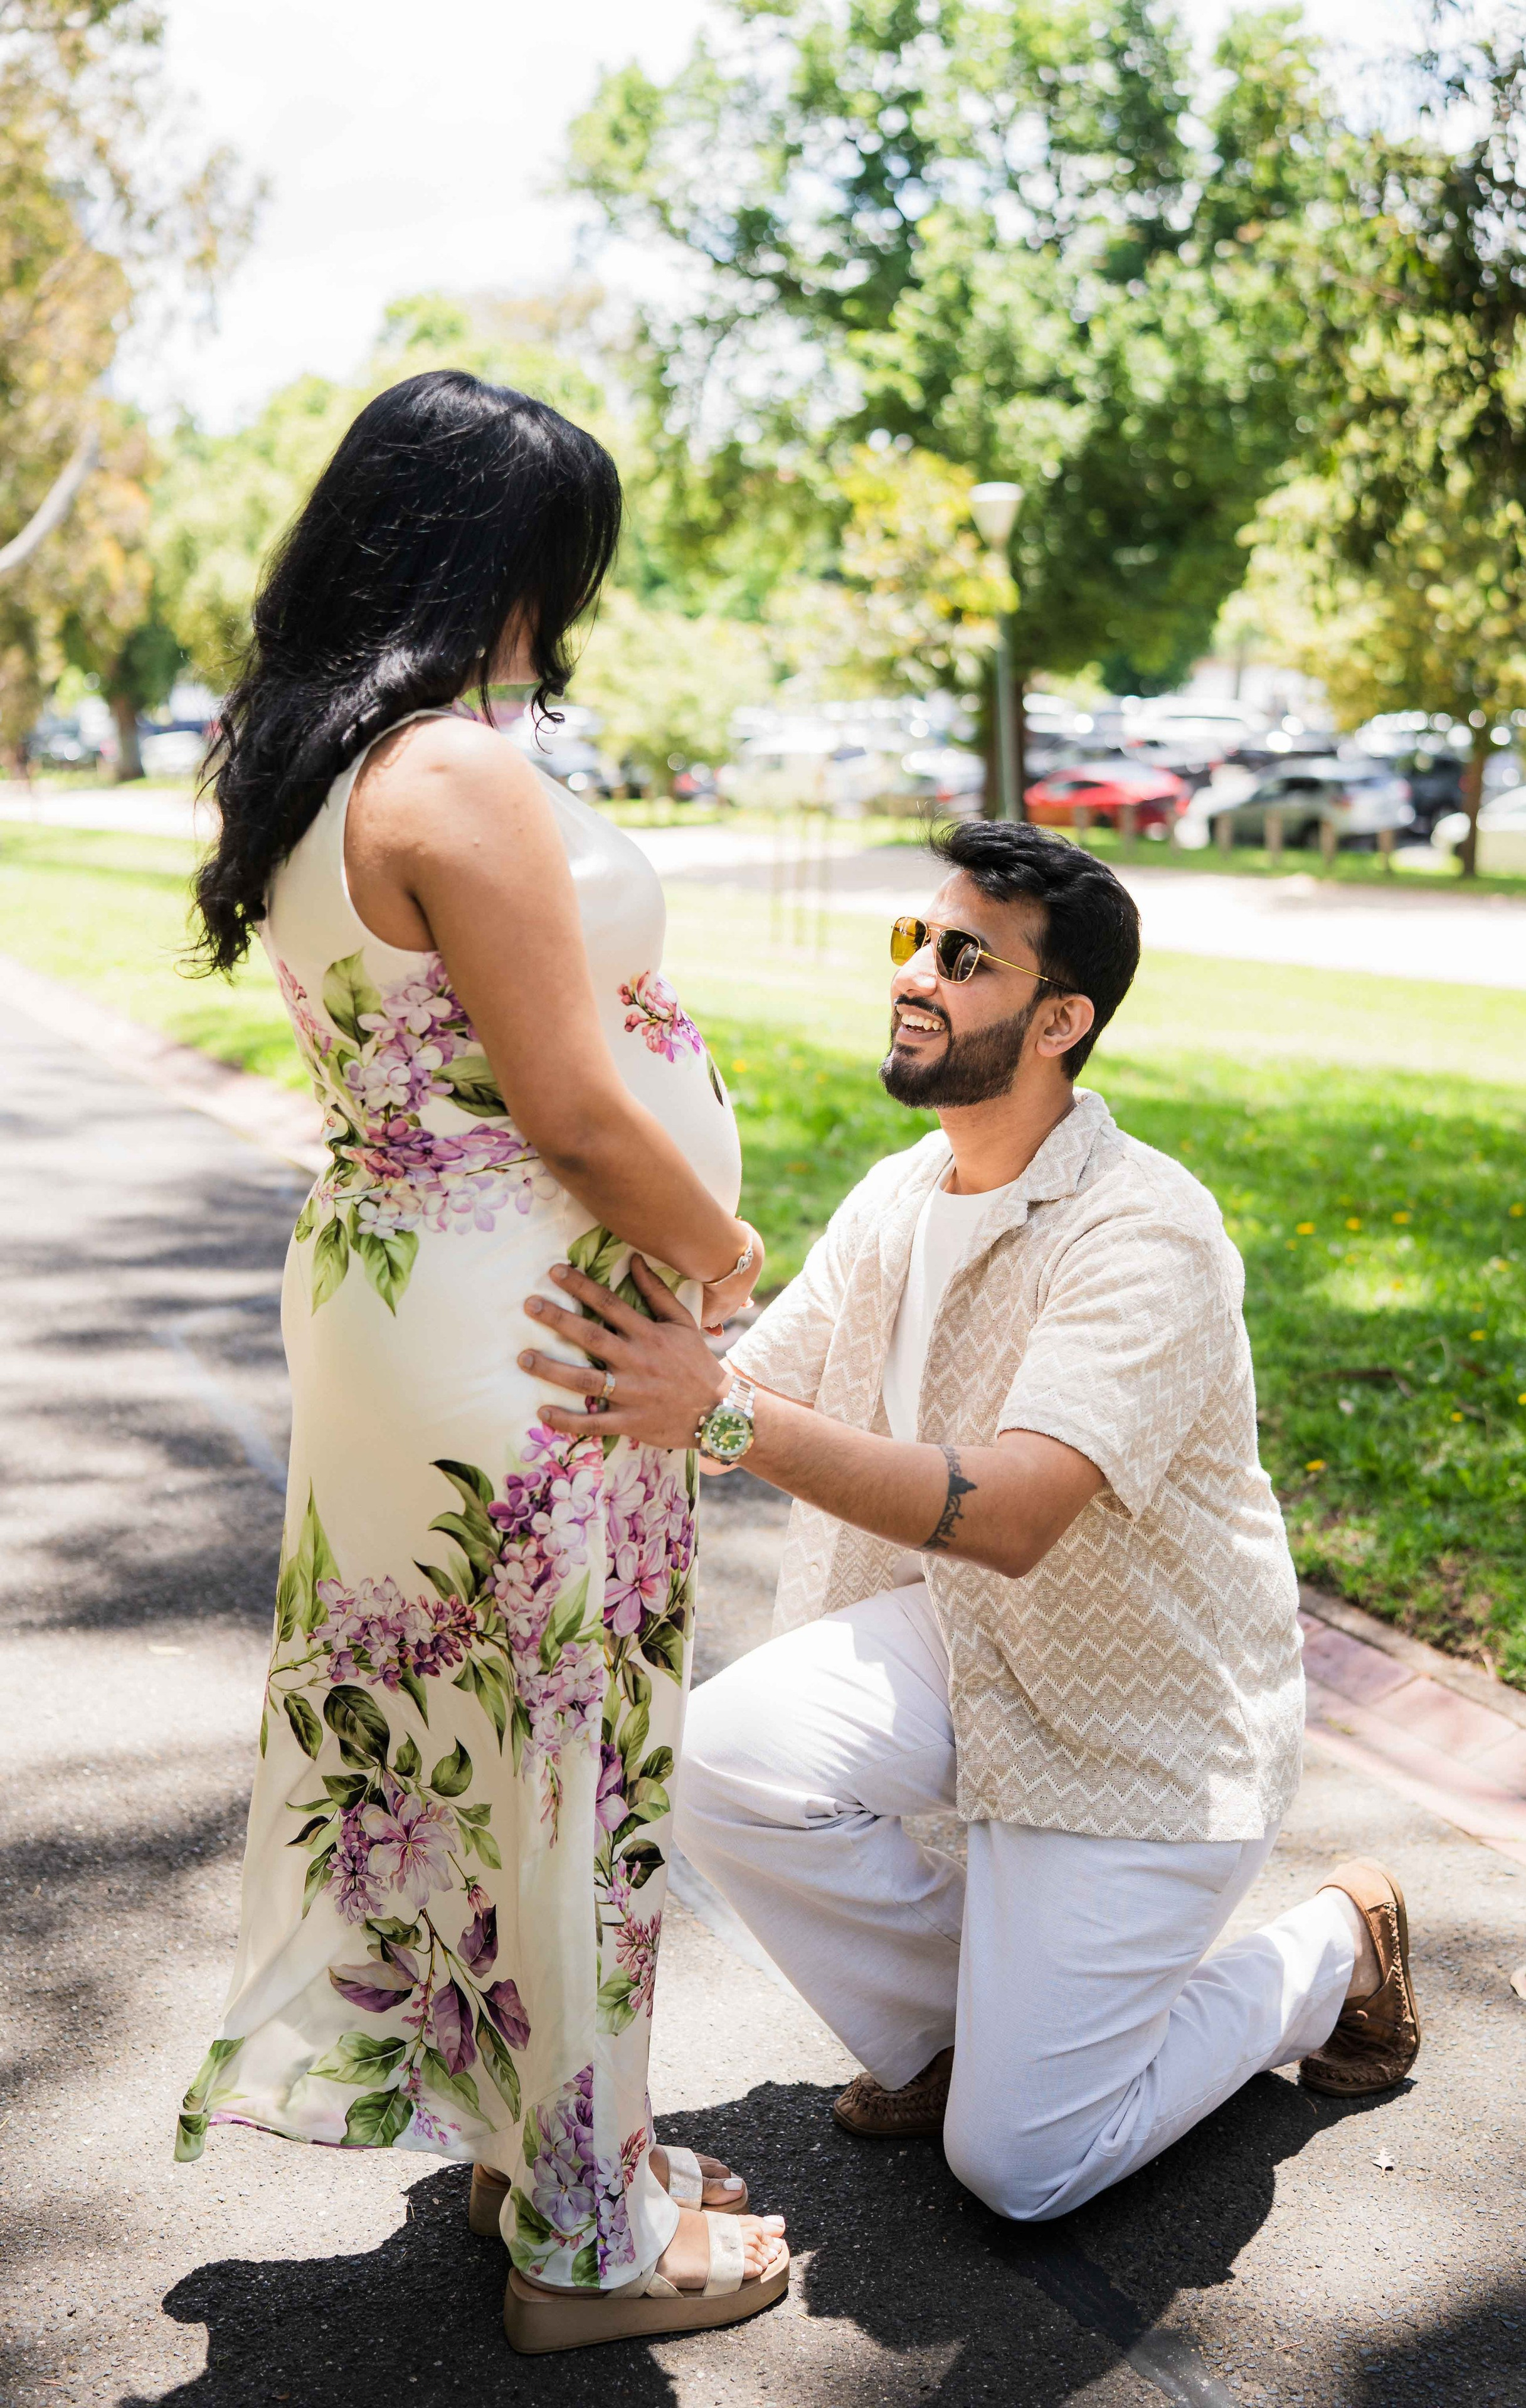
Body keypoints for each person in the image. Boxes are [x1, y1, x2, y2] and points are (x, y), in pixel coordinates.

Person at [514, 818, 1421, 2231]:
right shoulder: (905, 1190)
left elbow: (1007, 1515)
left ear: (1061, 1020)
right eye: (910, 942)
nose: (913, 975)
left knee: (1022, 2169)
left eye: (961, 957)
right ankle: (960, 2041)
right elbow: (750, 1382)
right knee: (728, 1758)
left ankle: (1326, 1951)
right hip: (971, 1653)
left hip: (1144, 1724)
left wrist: (715, 1415)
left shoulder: (1144, 1230)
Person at [176, 370, 788, 2353]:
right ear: (484, 555)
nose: (564, 602)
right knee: (563, 1749)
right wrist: (716, 1249)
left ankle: (543, 2146)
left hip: (403, 1301)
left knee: (462, 1743)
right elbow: (582, 1112)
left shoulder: (305, 751)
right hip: (537, 1329)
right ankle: (587, 2248)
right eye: (555, 558)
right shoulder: (453, 769)